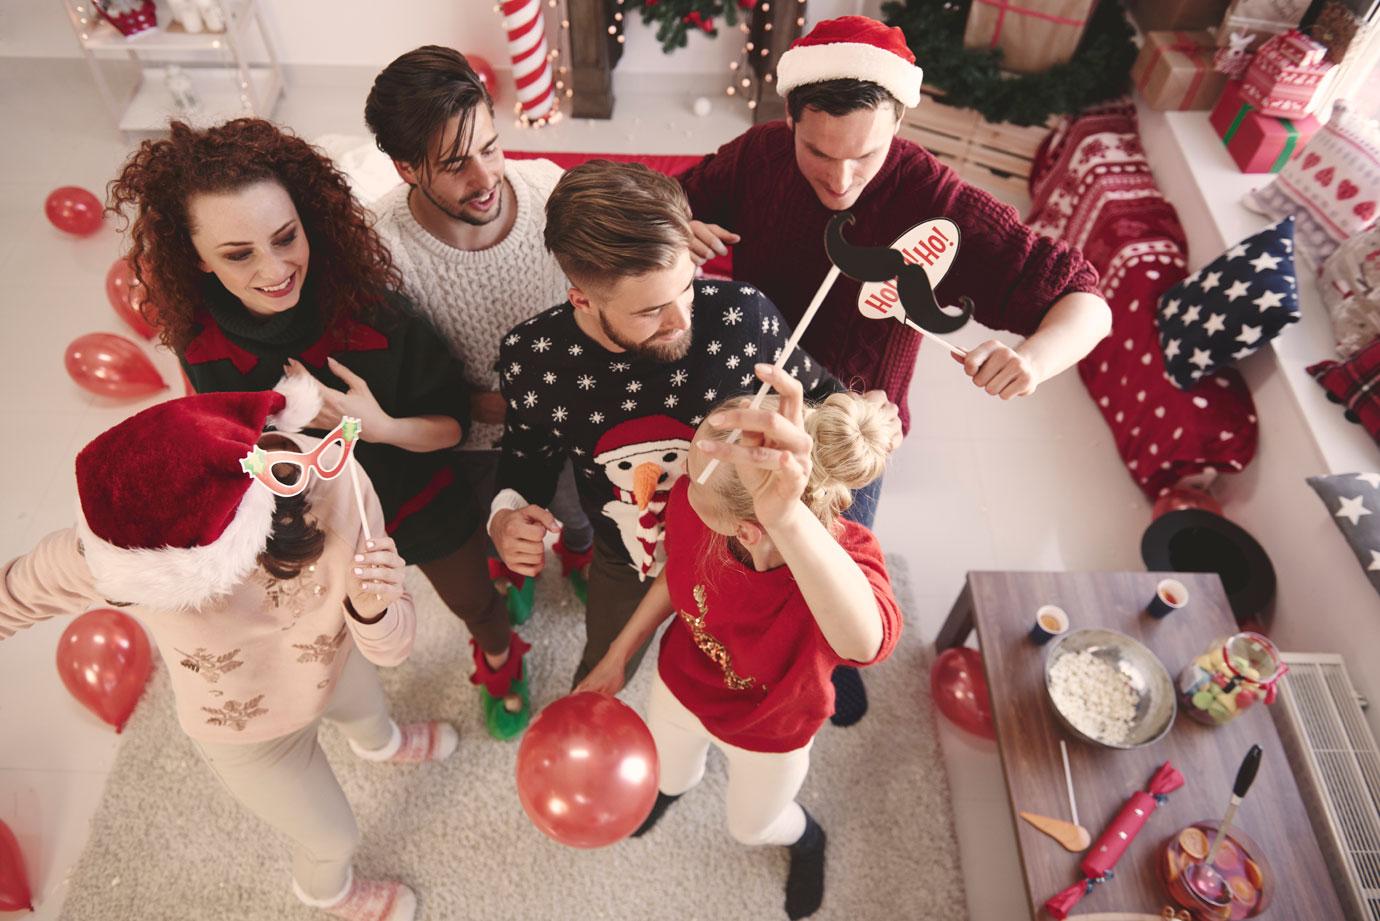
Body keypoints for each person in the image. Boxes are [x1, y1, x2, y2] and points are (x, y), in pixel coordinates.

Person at [107, 118, 533, 740]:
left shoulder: (379, 313)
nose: (274, 269)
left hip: (421, 500)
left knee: (476, 604)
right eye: (238, 254)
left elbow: (452, 428)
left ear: (309, 221)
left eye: (286, 238)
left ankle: (501, 653)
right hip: (317, 527)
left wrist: (377, 426)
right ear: (195, 258)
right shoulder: (200, 347)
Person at [0, 386, 453, 921]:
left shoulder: (335, 483)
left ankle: (382, 744)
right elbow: (14, 596)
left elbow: (393, 650)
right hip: (242, 732)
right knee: (332, 839)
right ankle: (327, 894)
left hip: (338, 661)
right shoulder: (106, 553)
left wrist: (374, 611)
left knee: (370, 715)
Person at [487, 160, 900, 728]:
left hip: (746, 546)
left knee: (755, 670)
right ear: (582, 300)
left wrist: (862, 414)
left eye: (687, 286)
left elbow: (823, 396)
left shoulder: (743, 318)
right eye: (652, 310)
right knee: (604, 667)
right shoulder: (535, 361)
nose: (683, 319)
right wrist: (506, 515)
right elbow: (525, 463)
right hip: (624, 554)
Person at [679, 15, 1113, 529]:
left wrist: (1033, 361)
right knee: (712, 529)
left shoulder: (939, 201)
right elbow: (671, 200)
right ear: (791, 121)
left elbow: (1088, 302)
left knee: (828, 579)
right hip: (749, 386)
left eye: (866, 154)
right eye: (818, 152)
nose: (841, 181)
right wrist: (678, 230)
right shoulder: (759, 154)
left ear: (899, 123)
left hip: (850, 429)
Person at [576, 364, 902, 920]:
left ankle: (807, 839)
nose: (680, 482)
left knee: (751, 828)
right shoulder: (695, 495)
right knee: (669, 776)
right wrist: (617, 653)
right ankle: (673, 789)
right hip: (684, 686)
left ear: (748, 531)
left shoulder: (841, 561)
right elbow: (675, 571)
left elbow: (866, 643)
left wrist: (788, 521)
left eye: (691, 477)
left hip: (771, 729)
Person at [364, 45, 596, 633]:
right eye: (455, 164)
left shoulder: (550, 192)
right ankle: (508, 577)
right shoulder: (381, 249)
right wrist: (472, 403)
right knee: (493, 527)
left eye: (490, 148)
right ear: (406, 168)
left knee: (578, 508)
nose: (485, 177)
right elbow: (390, 376)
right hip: (467, 442)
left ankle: (581, 554)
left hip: (566, 419)